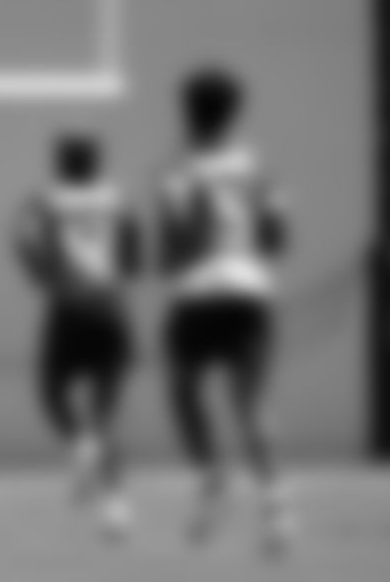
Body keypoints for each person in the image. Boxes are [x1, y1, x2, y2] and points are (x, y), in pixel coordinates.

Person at [155, 68, 291, 553]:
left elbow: (174, 243)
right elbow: (277, 236)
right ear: (234, 112)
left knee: (183, 390)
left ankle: (212, 478)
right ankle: (276, 509)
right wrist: (246, 257)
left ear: (187, 110)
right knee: (251, 404)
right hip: (249, 290)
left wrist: (177, 258)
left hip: (197, 293)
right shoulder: (258, 168)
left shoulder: (177, 170)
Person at [14, 132, 143, 541]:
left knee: (51, 392)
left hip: (68, 308)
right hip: (110, 307)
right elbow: (134, 252)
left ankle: (81, 446)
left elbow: (24, 243)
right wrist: (117, 277)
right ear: (96, 163)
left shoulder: (44, 200)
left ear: (61, 164)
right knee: (105, 417)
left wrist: (45, 277)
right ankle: (116, 507)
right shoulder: (118, 199)